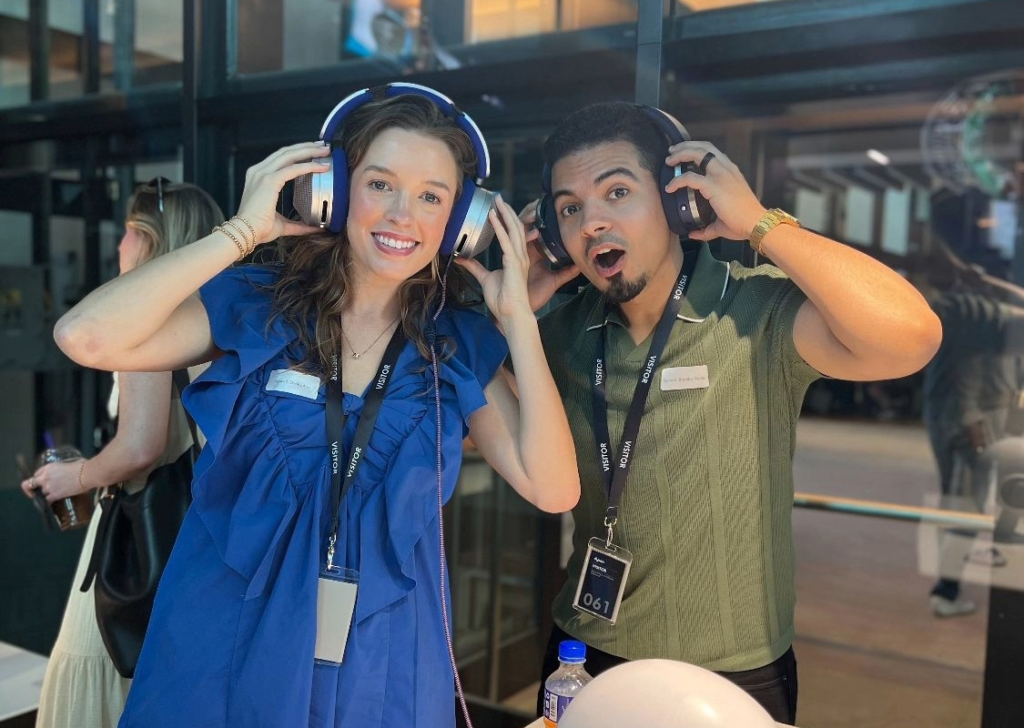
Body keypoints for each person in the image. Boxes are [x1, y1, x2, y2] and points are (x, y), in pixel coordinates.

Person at [53, 86, 580, 728]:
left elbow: (554, 489)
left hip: (381, 661)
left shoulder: (455, 343)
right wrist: (242, 231)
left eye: (432, 196)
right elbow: (86, 336)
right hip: (223, 639)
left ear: (460, 220)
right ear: (332, 189)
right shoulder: (255, 303)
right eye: (379, 184)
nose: (401, 216)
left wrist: (519, 321)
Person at [518, 102, 942, 724]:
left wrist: (763, 225)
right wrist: (514, 314)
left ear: (674, 202)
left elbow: (912, 338)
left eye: (617, 192)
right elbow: (463, 427)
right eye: (570, 209)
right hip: (585, 653)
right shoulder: (559, 333)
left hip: (734, 667)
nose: (593, 223)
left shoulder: (754, 311)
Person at [21, 179, 222, 728]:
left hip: (137, 537)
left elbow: (140, 447)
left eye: (127, 234)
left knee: (97, 664)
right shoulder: (214, 316)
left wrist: (76, 476)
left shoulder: (148, 322)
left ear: (147, 238)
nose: (117, 247)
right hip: (193, 533)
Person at [920, 231, 1024, 617]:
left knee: (967, 500)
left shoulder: (953, 309)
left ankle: (953, 581)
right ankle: (946, 591)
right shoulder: (972, 311)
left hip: (961, 420)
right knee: (966, 506)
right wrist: (993, 285)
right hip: (971, 424)